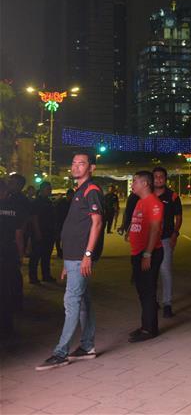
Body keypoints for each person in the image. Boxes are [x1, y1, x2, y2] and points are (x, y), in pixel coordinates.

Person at [36, 153, 104, 371]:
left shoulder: (91, 190)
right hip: (73, 258)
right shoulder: (79, 191)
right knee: (83, 302)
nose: (75, 167)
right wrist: (67, 261)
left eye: (81, 163)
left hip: (80, 257)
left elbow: (97, 224)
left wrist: (87, 255)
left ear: (91, 167)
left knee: (71, 302)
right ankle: (87, 347)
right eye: (73, 163)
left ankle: (61, 352)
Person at [127, 171, 164, 343]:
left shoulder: (154, 203)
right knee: (142, 292)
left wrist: (147, 254)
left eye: (135, 181)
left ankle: (150, 329)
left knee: (148, 292)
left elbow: (155, 229)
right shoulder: (140, 202)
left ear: (145, 184)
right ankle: (145, 326)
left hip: (149, 253)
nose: (132, 184)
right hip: (138, 253)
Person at [152, 167, 182, 318]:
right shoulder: (147, 196)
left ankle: (167, 304)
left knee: (165, 271)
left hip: (165, 239)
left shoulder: (172, 196)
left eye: (161, 177)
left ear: (165, 179)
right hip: (149, 240)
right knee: (151, 273)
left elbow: (179, 217)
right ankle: (153, 301)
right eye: (156, 177)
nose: (158, 179)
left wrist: (175, 234)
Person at [5, 174, 31, 310]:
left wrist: (22, 248)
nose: (9, 184)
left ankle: (16, 301)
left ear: (20, 185)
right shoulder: (7, 198)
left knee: (14, 271)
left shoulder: (21, 201)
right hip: (7, 241)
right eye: (9, 182)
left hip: (14, 241)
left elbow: (23, 225)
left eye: (12, 182)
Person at [0, 179, 20, 334]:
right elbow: (18, 232)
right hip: (8, 251)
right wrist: (20, 253)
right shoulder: (13, 207)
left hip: (6, 251)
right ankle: (7, 324)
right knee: (6, 288)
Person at [29, 182, 56, 284]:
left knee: (46, 255)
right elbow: (34, 218)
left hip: (48, 233)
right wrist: (37, 232)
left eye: (50, 189)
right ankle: (33, 277)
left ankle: (46, 275)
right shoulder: (37, 202)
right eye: (48, 189)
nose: (50, 191)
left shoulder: (48, 202)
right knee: (36, 256)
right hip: (40, 232)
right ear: (42, 190)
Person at [54, 189, 74, 258]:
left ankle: (65, 252)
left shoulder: (73, 203)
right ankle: (60, 252)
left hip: (69, 224)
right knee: (58, 239)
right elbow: (57, 212)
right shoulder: (62, 202)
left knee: (67, 239)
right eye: (70, 195)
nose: (71, 196)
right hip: (60, 223)